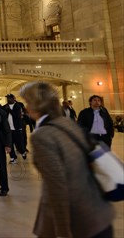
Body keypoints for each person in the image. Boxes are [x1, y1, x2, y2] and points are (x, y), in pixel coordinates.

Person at [20, 81, 115, 238]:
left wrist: (63, 231)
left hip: (80, 220)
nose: (26, 107)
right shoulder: (67, 123)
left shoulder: (42, 136)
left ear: (37, 105)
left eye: (27, 102)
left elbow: (57, 187)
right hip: (99, 211)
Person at [3, 93, 26, 164]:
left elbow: (17, 116)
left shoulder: (18, 106)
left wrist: (9, 110)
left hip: (17, 129)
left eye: (10, 98)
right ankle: (13, 158)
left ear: (13, 98)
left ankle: (23, 151)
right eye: (7, 98)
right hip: (9, 130)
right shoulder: (5, 106)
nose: (8, 99)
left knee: (19, 144)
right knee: (10, 144)